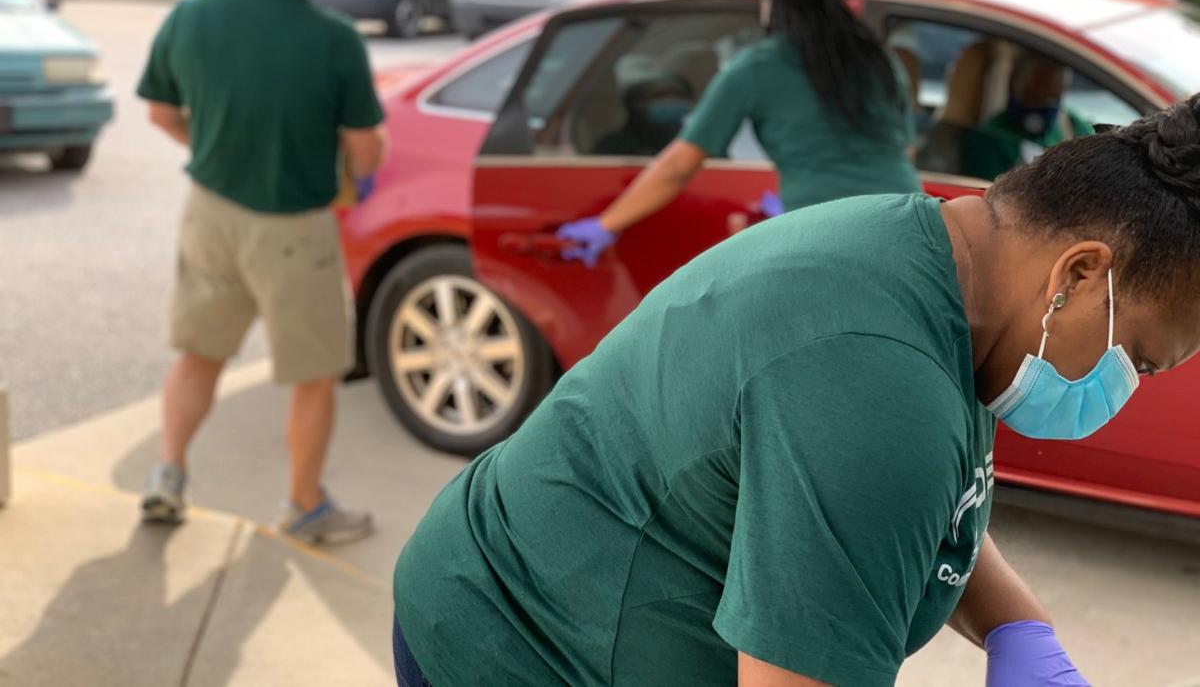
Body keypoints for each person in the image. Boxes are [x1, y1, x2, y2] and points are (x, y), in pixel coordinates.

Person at [391, 95, 1200, 686]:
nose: (1127, 383)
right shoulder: (877, 384)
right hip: (516, 649)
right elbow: (878, 457)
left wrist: (1015, 623)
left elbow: (905, 501)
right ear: (1081, 273)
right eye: (1144, 355)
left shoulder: (948, 262)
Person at [138, 0, 387, 545]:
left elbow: (161, 113)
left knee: (198, 355)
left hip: (208, 215)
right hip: (293, 231)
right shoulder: (332, 40)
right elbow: (364, 153)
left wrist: (218, 148)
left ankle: (168, 473)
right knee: (313, 374)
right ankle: (305, 505)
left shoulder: (190, 15)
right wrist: (364, 168)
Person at [557, 0, 920, 266]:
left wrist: (607, 224)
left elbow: (677, 166)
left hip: (822, 230)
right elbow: (904, 147)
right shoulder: (880, 60)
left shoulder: (758, 67)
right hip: (906, 223)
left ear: (771, 3)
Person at [963, 51, 1094, 181]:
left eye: (1050, 98)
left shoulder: (1075, 128)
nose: (1042, 100)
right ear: (1014, 82)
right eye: (1035, 94)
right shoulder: (989, 138)